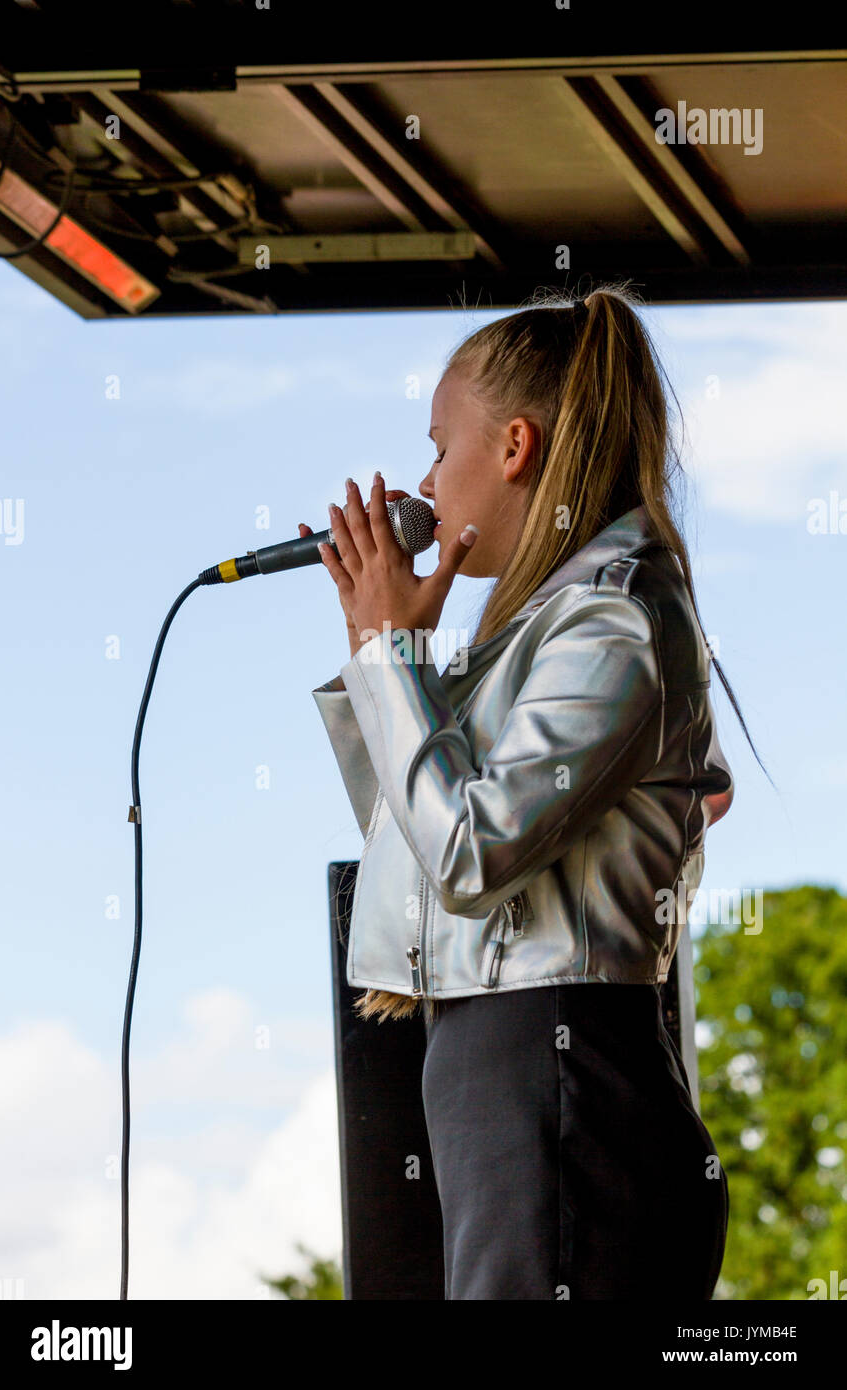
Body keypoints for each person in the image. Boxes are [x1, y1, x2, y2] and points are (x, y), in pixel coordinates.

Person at [304, 285, 770, 1301]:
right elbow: (422, 850)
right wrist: (386, 660)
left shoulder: (610, 622)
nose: (424, 478)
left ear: (512, 447)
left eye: (437, 445)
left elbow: (469, 852)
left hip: (557, 1075)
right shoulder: (542, 630)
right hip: (507, 1074)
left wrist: (393, 660)